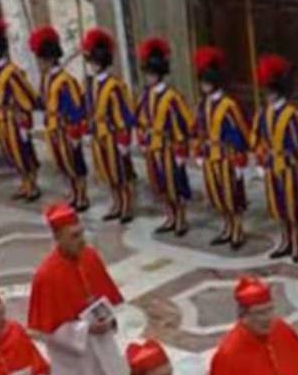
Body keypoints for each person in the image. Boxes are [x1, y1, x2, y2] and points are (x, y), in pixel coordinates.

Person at [27, 202, 128, 375]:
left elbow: (104, 297)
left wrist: (107, 320)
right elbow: (48, 329)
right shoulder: (47, 276)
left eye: (81, 233)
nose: (81, 241)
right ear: (57, 238)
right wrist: (84, 330)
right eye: (73, 236)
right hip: (75, 359)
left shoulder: (90, 257)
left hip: (102, 348)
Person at [251, 53, 298, 262]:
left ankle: (296, 243)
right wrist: (260, 158)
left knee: (293, 208)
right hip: (273, 166)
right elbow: (258, 138)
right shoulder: (263, 113)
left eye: (270, 91)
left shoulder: (292, 114)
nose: (267, 95)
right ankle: (285, 240)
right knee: (279, 207)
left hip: (290, 167)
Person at [192, 46, 248, 249]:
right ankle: (226, 227)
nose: (204, 86)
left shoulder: (228, 105)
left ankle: (237, 229)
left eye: (207, 82)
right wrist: (198, 149)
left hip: (226, 156)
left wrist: (240, 157)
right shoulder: (202, 104)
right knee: (217, 195)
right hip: (210, 155)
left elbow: (239, 131)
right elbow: (198, 129)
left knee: (232, 195)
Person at [135, 36, 193, 236]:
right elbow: (140, 119)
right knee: (159, 185)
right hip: (153, 146)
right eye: (147, 74)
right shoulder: (145, 95)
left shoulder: (172, 97)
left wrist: (181, 149)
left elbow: (183, 122)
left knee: (175, 184)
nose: (148, 78)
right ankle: (169, 216)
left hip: (169, 147)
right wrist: (142, 139)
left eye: (151, 74)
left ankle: (181, 219)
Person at [0, 18, 41, 201]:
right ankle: (23, 183)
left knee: (23, 153)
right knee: (11, 154)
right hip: (1, 118)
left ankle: (32, 184)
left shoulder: (11, 71)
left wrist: (23, 119)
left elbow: (26, 96)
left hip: (14, 118)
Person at [30, 25, 89, 211]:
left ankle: (82, 196)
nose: (39, 63)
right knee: (63, 165)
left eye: (41, 59)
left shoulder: (66, 81)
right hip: (53, 128)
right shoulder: (46, 79)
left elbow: (74, 108)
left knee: (76, 164)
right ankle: (73, 193)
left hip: (66, 128)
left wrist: (75, 130)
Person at [82, 27, 136, 223]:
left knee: (121, 173)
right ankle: (115, 203)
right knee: (106, 172)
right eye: (91, 61)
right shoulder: (90, 84)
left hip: (113, 134)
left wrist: (124, 139)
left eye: (95, 62)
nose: (92, 65)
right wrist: (88, 130)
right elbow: (88, 109)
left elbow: (125, 113)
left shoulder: (115, 85)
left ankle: (127, 205)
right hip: (98, 134)